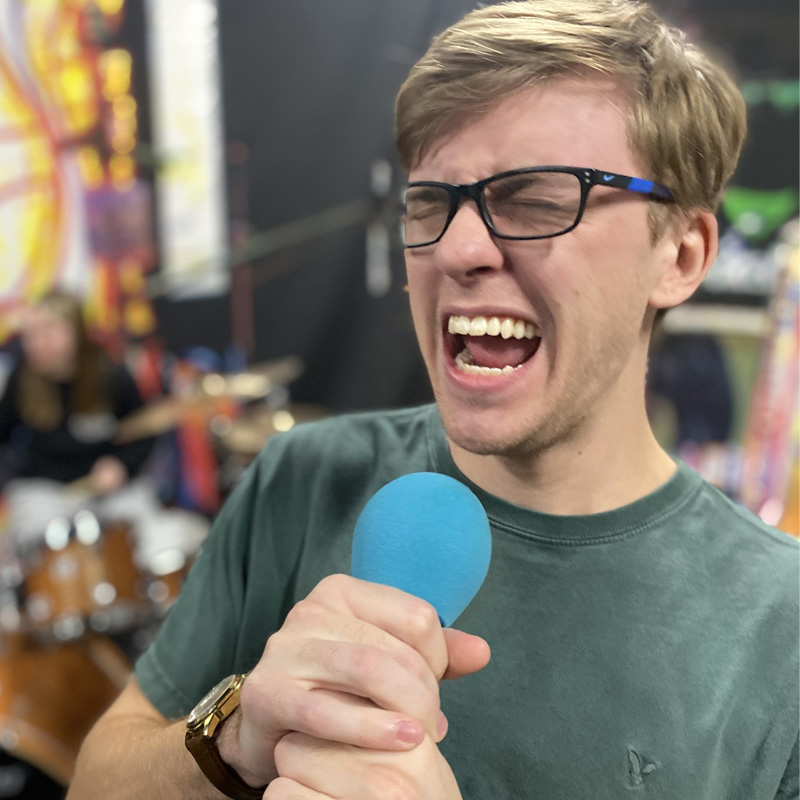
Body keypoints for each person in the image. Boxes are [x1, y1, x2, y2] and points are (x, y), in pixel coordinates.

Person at [67, 1, 799, 798]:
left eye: (540, 198)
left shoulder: (778, 627)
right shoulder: (306, 479)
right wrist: (237, 738)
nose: (454, 248)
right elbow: (98, 780)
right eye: (428, 203)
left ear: (681, 255)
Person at [0, 290, 207, 592]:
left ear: (76, 333)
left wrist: (121, 467)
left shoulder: (111, 374)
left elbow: (144, 432)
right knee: (33, 531)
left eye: (49, 331)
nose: (37, 343)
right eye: (31, 334)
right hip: (47, 491)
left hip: (112, 491)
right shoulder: (22, 379)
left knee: (157, 536)